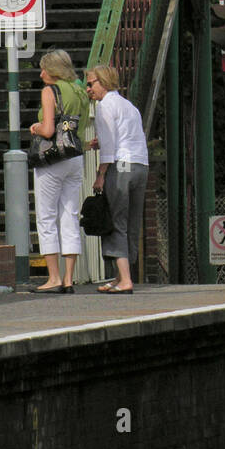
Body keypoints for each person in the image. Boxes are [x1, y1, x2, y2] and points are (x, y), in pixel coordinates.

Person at [28, 50, 87, 294]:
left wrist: (35, 127)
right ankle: (69, 278)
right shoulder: (79, 90)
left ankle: (53, 278)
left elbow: (50, 129)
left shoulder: (49, 91)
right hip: (75, 157)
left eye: (44, 69)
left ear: (53, 71)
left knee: (46, 216)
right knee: (70, 215)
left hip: (53, 159)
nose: (41, 74)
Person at [85, 64, 147, 294]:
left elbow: (110, 148)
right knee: (131, 223)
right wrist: (102, 141)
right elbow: (127, 137)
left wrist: (101, 174)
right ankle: (121, 276)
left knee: (115, 222)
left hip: (120, 167)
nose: (88, 89)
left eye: (91, 84)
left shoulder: (104, 106)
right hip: (140, 165)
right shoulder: (128, 106)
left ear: (104, 82)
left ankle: (125, 281)